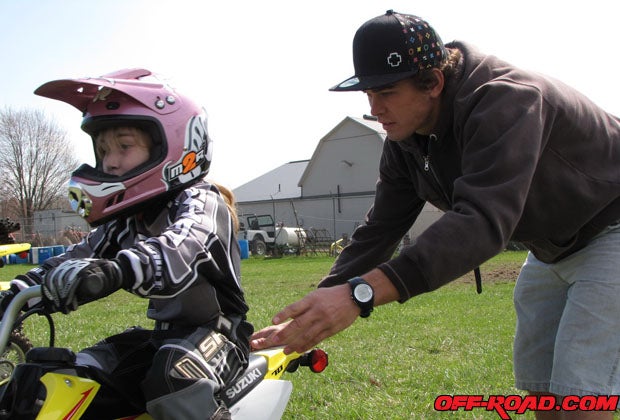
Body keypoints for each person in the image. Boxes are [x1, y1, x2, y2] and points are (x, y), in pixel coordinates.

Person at [250, 10, 620, 419]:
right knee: (540, 388)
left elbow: (482, 221)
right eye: (367, 94)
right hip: (553, 248)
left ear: (434, 83)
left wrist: (360, 294)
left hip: (612, 228)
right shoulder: (406, 138)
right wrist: (317, 305)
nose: (375, 108)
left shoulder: (508, 101)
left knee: (580, 394)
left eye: (386, 92)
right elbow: (382, 228)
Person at [11, 68, 253, 420]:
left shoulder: (202, 202)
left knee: (173, 379)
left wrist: (115, 270)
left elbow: (182, 247)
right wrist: (15, 292)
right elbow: (78, 254)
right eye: (103, 149)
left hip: (221, 334)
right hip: (160, 337)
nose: (109, 160)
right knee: (65, 377)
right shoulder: (127, 219)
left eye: (124, 146)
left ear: (171, 145)